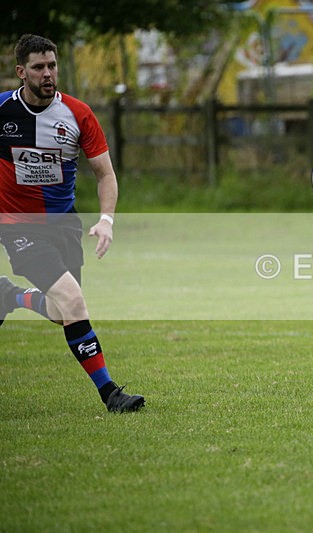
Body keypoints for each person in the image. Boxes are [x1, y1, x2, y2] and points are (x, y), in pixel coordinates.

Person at [0, 34, 144, 413]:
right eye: (38, 67)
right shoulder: (1, 112)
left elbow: (105, 174)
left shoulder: (78, 114)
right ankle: (111, 394)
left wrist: (107, 220)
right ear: (21, 72)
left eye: (52, 66)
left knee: (62, 312)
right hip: (17, 225)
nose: (47, 74)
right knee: (73, 301)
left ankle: (10, 297)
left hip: (63, 225)